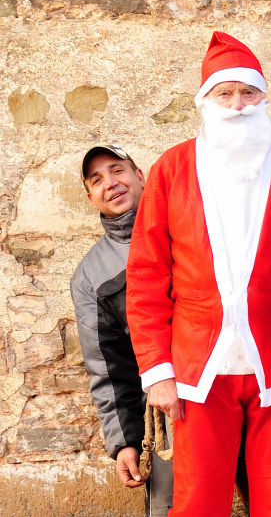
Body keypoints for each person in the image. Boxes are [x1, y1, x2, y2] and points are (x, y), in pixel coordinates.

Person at [126, 32, 271, 517]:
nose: (237, 105)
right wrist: (156, 372)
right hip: (197, 367)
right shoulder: (171, 169)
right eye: (225, 93)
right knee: (197, 503)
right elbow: (147, 273)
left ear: (264, 97)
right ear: (205, 100)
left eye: (248, 93)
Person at [70, 144, 174, 514]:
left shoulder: (185, 226)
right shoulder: (90, 277)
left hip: (232, 387)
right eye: (97, 180)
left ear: (140, 176)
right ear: (90, 196)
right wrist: (125, 442)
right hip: (168, 410)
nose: (110, 183)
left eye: (117, 171)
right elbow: (108, 367)